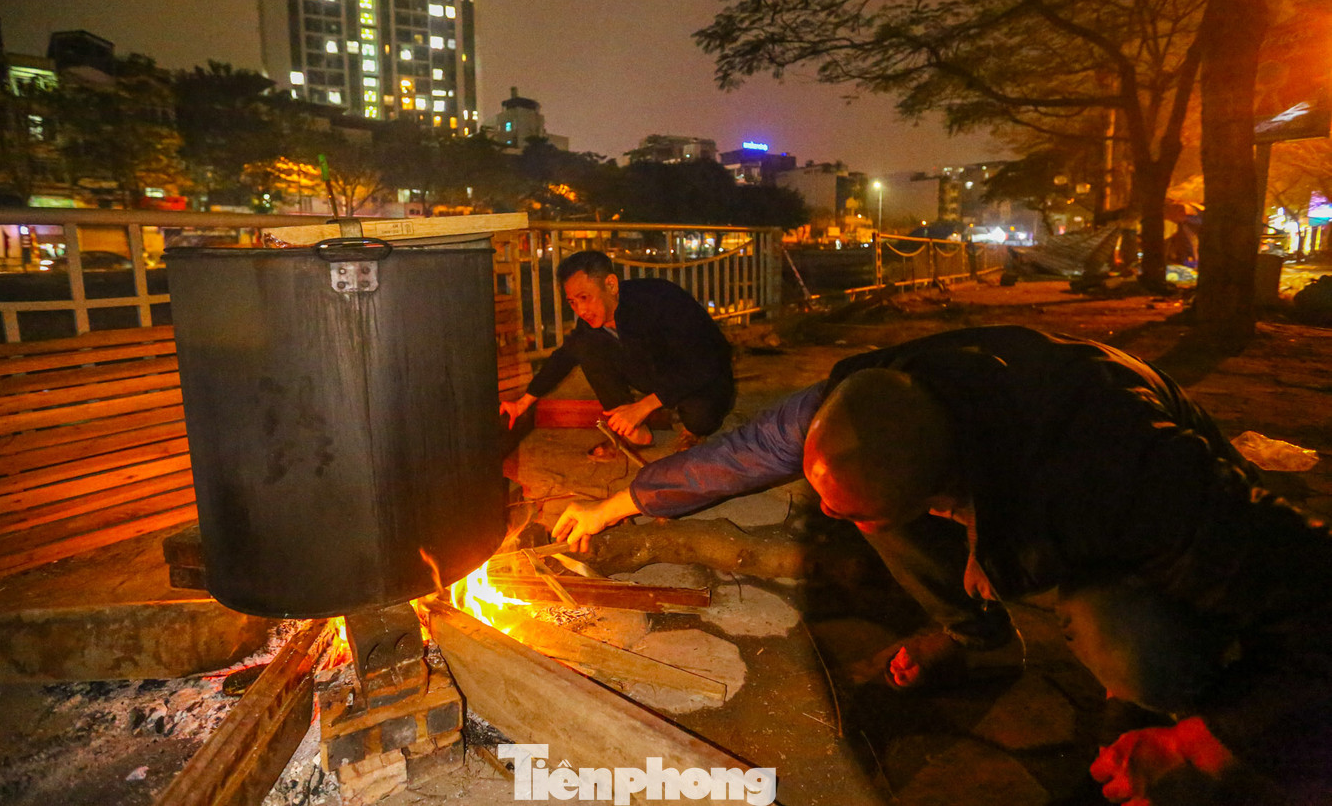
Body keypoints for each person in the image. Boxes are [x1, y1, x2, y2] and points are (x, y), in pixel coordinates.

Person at [551, 325, 1332, 804]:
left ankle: (1171, 700)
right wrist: (616, 503)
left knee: (1118, 629)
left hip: (1121, 498)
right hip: (991, 479)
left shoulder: (1127, 474)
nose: (820, 512)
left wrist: (1204, 741)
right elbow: (736, 457)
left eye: (853, 504)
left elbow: (1316, 596)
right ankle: (977, 637)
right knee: (866, 518)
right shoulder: (861, 401)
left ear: (944, 496)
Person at [500, 250, 735, 459]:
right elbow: (565, 356)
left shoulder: (661, 300)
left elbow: (705, 363)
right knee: (585, 347)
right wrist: (523, 403)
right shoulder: (594, 321)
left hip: (703, 377)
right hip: (656, 376)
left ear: (611, 285)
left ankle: (692, 433)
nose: (581, 310)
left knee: (700, 417)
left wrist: (644, 406)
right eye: (572, 302)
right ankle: (631, 432)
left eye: (585, 298)